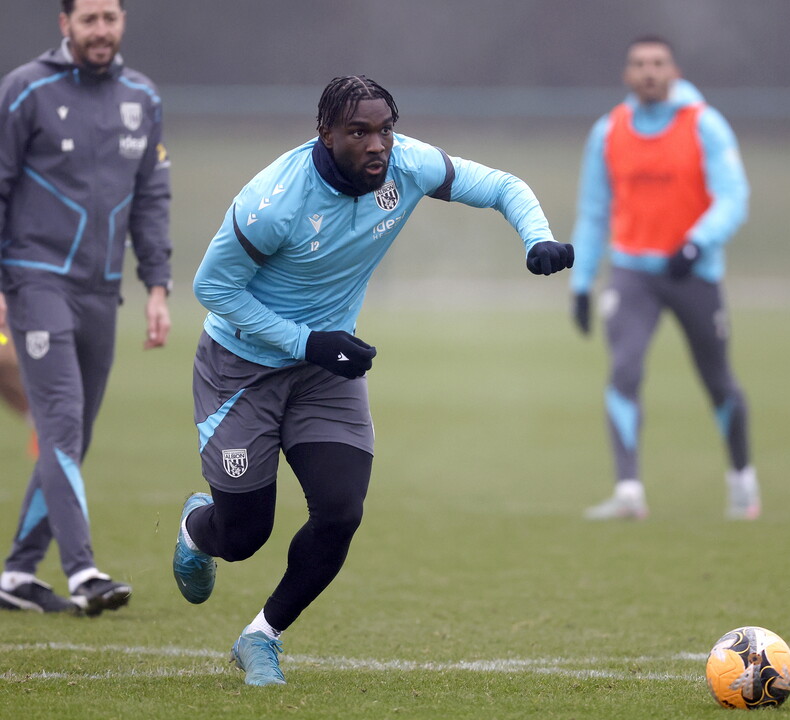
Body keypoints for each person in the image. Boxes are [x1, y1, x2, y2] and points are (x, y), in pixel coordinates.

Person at [173, 75, 573, 686]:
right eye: (359, 132)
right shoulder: (273, 201)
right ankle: (197, 532)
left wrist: (536, 236)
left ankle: (262, 636)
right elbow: (212, 289)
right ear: (325, 134)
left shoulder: (407, 165)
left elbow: (502, 185)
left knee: (340, 511)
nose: (377, 144)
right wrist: (307, 341)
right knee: (245, 535)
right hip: (241, 372)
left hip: (327, 372)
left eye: (384, 129)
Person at [0, 0, 172, 615]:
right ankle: (83, 573)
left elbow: (151, 197)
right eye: (89, 18)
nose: (102, 29)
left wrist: (157, 285)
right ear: (64, 23)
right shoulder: (24, 91)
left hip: (102, 290)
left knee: (76, 435)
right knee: (61, 424)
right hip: (34, 281)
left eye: (111, 17)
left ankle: (18, 575)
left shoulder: (142, 97)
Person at [570, 35, 758, 521]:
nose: (649, 71)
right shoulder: (608, 132)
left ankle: (742, 481)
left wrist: (697, 242)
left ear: (673, 70)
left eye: (658, 63)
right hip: (633, 274)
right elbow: (593, 212)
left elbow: (733, 196)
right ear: (627, 75)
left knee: (717, 380)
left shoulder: (705, 125)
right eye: (639, 64)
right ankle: (629, 491)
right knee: (624, 371)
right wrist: (582, 281)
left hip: (695, 272)